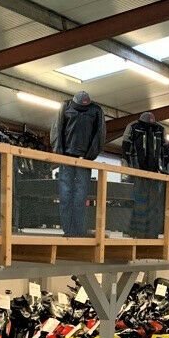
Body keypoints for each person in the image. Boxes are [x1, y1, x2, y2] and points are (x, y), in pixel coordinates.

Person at [50, 91, 105, 237]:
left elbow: (100, 134)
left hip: (84, 160)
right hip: (66, 158)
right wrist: (60, 154)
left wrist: (89, 157)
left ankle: (79, 231)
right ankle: (68, 230)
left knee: (80, 197)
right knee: (65, 195)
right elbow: (56, 129)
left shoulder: (96, 110)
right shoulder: (65, 106)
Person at [122, 111, 167, 238]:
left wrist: (164, 169)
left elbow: (165, 150)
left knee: (153, 204)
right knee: (138, 202)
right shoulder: (133, 127)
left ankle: (151, 232)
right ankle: (136, 231)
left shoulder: (160, 129)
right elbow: (125, 147)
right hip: (137, 173)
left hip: (155, 174)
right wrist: (127, 167)